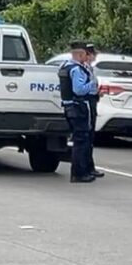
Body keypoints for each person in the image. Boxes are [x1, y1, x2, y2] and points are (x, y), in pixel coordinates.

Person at [58, 41, 98, 183]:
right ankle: (79, 173)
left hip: (70, 107)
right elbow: (79, 89)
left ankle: (80, 171)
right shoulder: (76, 69)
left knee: (79, 139)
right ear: (80, 54)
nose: (86, 57)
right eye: (84, 54)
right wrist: (92, 85)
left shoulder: (64, 66)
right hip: (78, 107)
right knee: (81, 140)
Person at [84, 43, 104, 178]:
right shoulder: (83, 69)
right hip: (87, 103)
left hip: (92, 101)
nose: (94, 57)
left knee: (90, 137)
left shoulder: (90, 69)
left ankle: (89, 167)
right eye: (92, 54)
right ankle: (86, 167)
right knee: (86, 136)